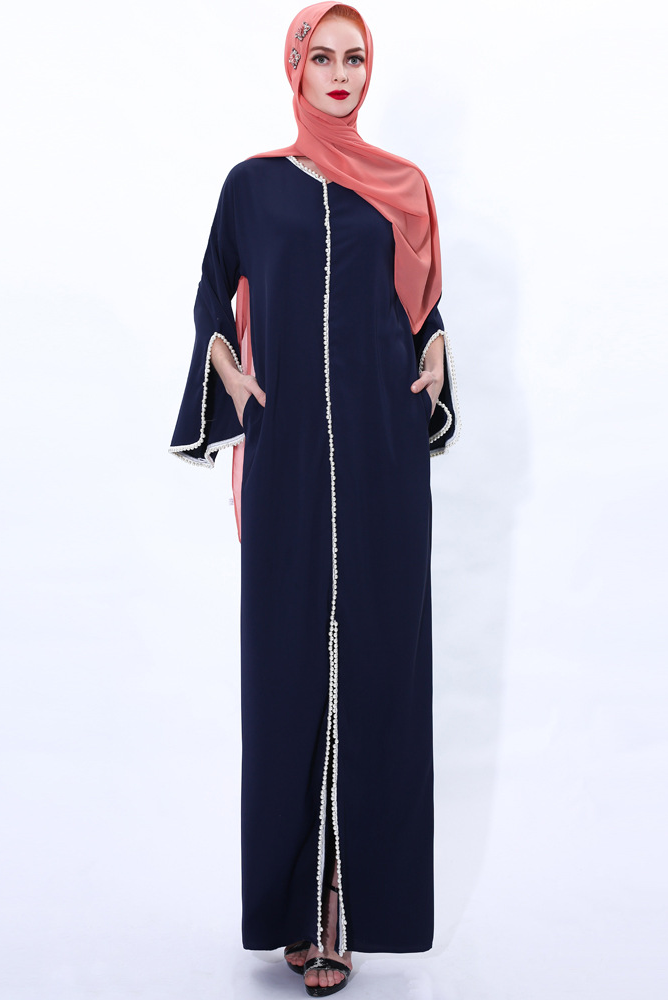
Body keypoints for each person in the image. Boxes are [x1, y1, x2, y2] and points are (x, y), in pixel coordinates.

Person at [170, 3, 459, 995]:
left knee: (383, 672)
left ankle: (352, 904)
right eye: (323, 56)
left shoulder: (403, 186)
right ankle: (296, 903)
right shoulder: (251, 187)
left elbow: (424, 308)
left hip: (383, 454)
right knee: (286, 670)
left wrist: (433, 351)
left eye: (355, 58)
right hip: (288, 450)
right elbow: (213, 293)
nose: (340, 73)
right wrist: (223, 361)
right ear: (294, 67)